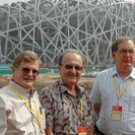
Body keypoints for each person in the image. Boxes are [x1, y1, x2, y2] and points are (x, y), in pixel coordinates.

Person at [39, 49, 95, 135]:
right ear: (60, 68)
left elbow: (91, 126)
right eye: (69, 67)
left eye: (77, 68)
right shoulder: (48, 94)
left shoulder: (84, 94)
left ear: (82, 70)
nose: (73, 71)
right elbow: (47, 132)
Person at [90, 36, 135, 135]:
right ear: (114, 55)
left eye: (131, 51)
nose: (127, 55)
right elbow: (96, 106)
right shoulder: (102, 77)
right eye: (123, 51)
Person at [0, 51, 45, 134]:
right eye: (26, 70)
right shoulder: (2, 99)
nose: (30, 74)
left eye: (34, 71)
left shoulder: (35, 95)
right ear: (13, 70)